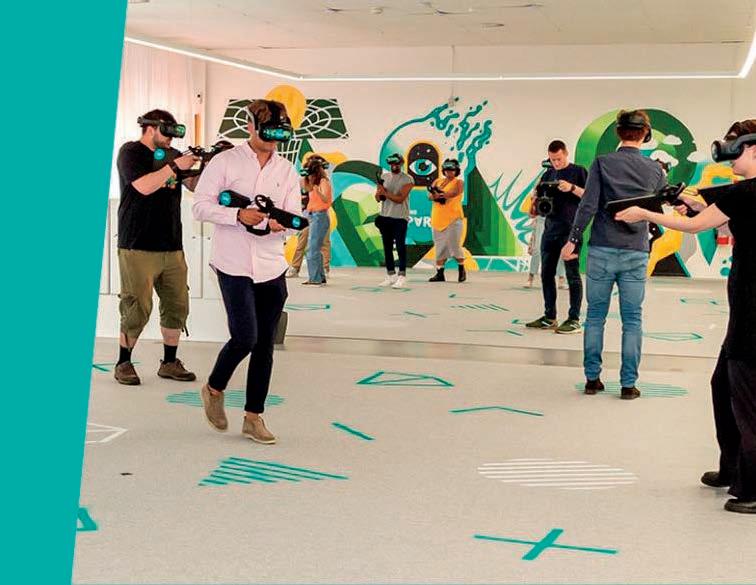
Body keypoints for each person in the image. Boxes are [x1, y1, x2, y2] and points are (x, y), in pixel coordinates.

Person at [616, 119, 756, 514]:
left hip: (751, 313)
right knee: (722, 386)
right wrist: (691, 203)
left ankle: (752, 489)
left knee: (748, 403)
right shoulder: (743, 194)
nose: (728, 153)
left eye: (736, 146)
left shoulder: (746, 191)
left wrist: (646, 213)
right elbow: (720, 213)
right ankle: (732, 468)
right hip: (745, 310)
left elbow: (697, 224)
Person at [192, 99, 300, 444]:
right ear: (250, 126)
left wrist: (278, 224)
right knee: (245, 337)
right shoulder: (225, 162)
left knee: (265, 345)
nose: (272, 140)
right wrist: (237, 215)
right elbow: (200, 206)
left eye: (279, 134)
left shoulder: (287, 171)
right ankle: (214, 388)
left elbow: (294, 217)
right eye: (267, 132)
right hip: (233, 263)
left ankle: (254, 417)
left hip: (272, 265)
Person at [561, 110, 666, 399]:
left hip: (602, 250)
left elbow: (588, 205)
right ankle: (628, 385)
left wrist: (573, 240)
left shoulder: (602, 163)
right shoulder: (655, 169)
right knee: (632, 320)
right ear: (645, 134)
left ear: (618, 133)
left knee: (595, 316)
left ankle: (592, 380)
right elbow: (657, 208)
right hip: (635, 251)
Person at [114, 109, 201, 386]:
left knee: (177, 304)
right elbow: (144, 186)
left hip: (171, 244)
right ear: (150, 128)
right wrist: (175, 166)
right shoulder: (131, 152)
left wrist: (205, 163)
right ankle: (123, 362)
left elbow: (194, 185)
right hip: (137, 244)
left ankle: (170, 362)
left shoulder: (173, 155)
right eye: (167, 131)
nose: (171, 138)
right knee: (137, 305)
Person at [525, 141, 587, 333]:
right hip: (550, 228)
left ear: (566, 153)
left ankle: (574, 318)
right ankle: (549, 316)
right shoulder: (548, 174)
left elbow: (589, 196)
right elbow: (537, 205)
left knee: (572, 274)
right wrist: (535, 201)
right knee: (546, 274)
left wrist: (572, 188)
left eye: (559, 159)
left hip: (570, 230)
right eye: (553, 160)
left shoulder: (578, 171)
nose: (556, 163)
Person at [375, 153, 414, 288]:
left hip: (400, 217)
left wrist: (385, 193)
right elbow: (378, 198)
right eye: (391, 163)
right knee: (387, 247)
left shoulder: (408, 179)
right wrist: (380, 192)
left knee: (400, 246)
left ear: (401, 163)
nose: (394, 165)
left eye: (396, 163)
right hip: (385, 216)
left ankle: (402, 276)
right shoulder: (384, 177)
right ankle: (390, 275)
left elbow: (400, 199)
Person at [428, 158, 467, 283]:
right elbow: (430, 196)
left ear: (456, 171)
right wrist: (435, 195)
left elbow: (454, 193)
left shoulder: (459, 182)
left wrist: (440, 194)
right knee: (439, 247)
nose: (449, 172)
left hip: (453, 219)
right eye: (446, 169)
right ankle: (440, 273)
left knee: (454, 245)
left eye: (452, 170)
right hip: (437, 218)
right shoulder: (437, 181)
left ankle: (461, 269)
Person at [301, 154, 333, 286]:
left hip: (320, 215)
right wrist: (305, 177)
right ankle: (320, 277)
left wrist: (318, 191)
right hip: (312, 215)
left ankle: (315, 278)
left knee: (312, 248)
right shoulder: (312, 182)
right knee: (314, 248)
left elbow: (326, 199)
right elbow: (305, 188)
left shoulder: (323, 182)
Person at [526, 214, 567, 289]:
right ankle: (530, 277)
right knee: (537, 250)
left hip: (560, 218)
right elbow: (531, 213)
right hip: (542, 218)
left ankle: (561, 278)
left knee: (561, 248)